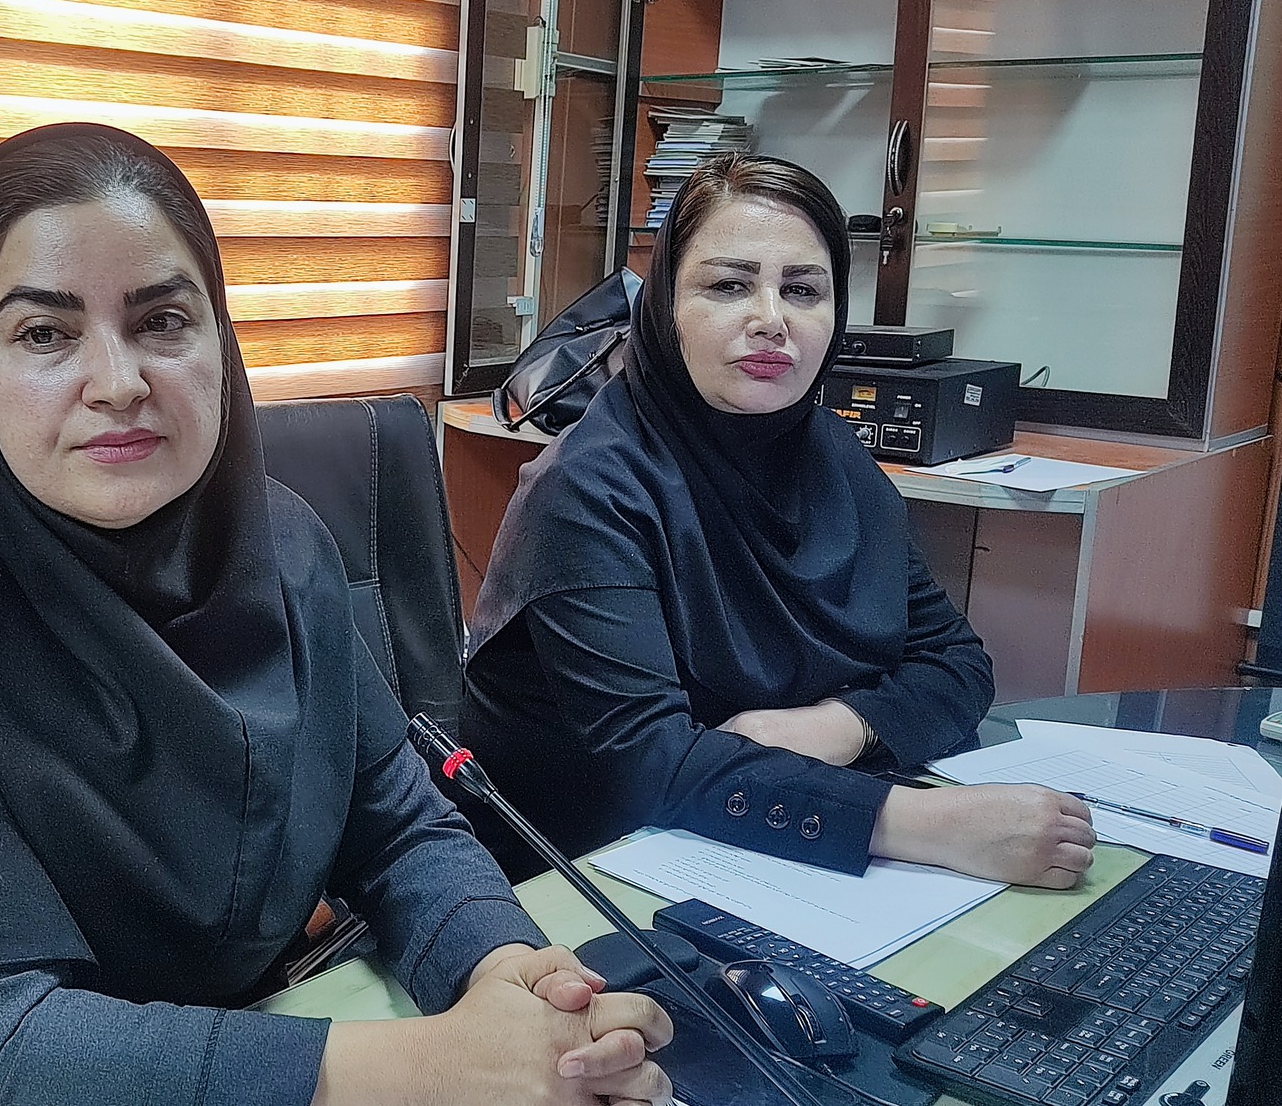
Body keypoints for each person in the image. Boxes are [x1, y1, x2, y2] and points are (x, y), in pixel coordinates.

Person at [0, 123, 674, 1106]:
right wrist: (434, 1068)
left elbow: (393, 821)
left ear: (220, 336)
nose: (118, 383)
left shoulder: (282, 544)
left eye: (162, 320)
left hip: (265, 1044)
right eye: (44, 333)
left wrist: (507, 976)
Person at [459, 154, 1095, 889]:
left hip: (774, 842)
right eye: (729, 286)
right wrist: (929, 824)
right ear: (665, 308)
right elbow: (649, 764)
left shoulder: (833, 457)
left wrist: (829, 727)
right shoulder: (588, 489)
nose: (772, 320)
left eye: (803, 290)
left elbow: (956, 664)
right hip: (585, 875)